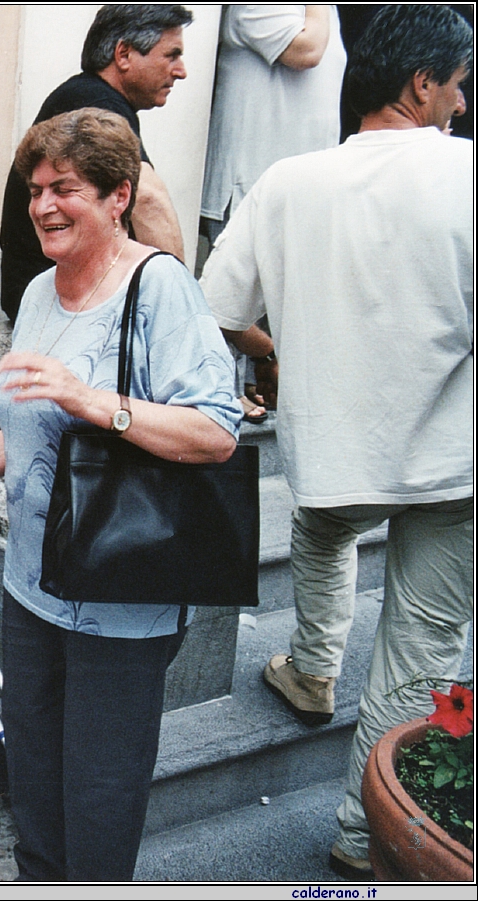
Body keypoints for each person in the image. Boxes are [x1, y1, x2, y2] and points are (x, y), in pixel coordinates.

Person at [0, 110, 241, 881]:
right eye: (35, 189)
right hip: (33, 582)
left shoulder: (159, 286)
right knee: (34, 776)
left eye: (64, 188)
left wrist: (96, 401)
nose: (43, 205)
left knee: (100, 792)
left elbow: (216, 431)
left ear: (117, 196)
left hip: (121, 592)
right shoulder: (41, 291)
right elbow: (30, 426)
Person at [199, 5, 473, 880]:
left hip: (331, 447)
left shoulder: (287, 181)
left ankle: (313, 667)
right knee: (422, 646)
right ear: (420, 82)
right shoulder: (467, 176)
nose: (462, 106)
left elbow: (216, 309)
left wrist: (275, 352)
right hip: (452, 459)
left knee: (322, 534)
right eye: (459, 86)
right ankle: (368, 834)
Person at [0, 4, 192, 323]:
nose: (180, 70)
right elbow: (147, 201)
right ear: (124, 54)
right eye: (171, 55)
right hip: (54, 302)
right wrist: (180, 313)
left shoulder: (89, 96)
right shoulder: (96, 104)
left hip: (56, 294)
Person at [199, 5, 346, 422]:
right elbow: (305, 51)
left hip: (296, 178)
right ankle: (219, 393)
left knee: (269, 295)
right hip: (248, 176)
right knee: (228, 291)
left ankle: (248, 382)